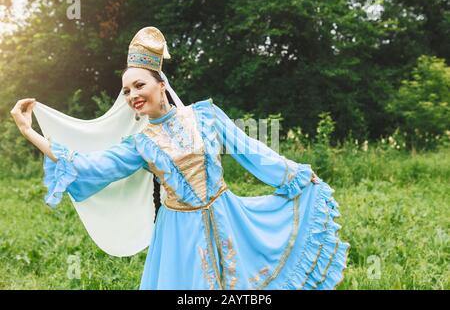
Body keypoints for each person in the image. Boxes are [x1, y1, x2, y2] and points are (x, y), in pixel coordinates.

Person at [10, 26, 350, 290]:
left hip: (225, 216)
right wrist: (29, 133)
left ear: (161, 84)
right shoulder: (139, 144)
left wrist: (295, 176)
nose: (132, 95)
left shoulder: (206, 116)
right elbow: (88, 167)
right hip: (177, 233)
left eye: (139, 85)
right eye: (126, 91)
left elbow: (251, 151)